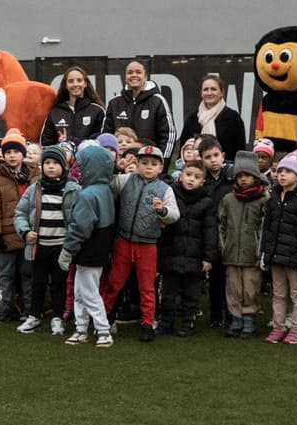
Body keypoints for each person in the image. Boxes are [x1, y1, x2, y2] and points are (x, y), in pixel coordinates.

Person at [106, 143, 179, 341]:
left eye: (153, 164)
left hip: (148, 245)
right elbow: (108, 182)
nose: (148, 167)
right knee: (114, 282)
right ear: (136, 164)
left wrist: (163, 211)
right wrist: (117, 167)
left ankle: (147, 323)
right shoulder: (126, 179)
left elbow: (174, 214)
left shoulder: (165, 189)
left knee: (146, 286)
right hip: (124, 241)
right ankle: (106, 317)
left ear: (161, 168)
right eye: (144, 163)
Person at [58, 141, 118, 346]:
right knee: (80, 291)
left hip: (89, 250)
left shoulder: (88, 195)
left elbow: (79, 228)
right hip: (100, 249)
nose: (78, 169)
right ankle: (81, 329)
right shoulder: (105, 190)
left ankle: (103, 330)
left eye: (81, 165)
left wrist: (67, 251)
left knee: (88, 292)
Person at [13, 145, 75, 335]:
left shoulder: (72, 189)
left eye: (55, 163)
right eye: (47, 162)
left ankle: (57, 318)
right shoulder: (34, 189)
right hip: (39, 246)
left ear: (64, 166)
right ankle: (34, 316)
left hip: (61, 246)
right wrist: (25, 232)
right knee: (37, 283)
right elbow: (20, 213)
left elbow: (77, 217)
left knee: (59, 284)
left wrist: (71, 240)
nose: (51, 166)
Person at [259, 152, 297, 345]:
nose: (282, 174)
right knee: (278, 293)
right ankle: (278, 326)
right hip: (276, 255)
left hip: (295, 257)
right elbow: (268, 228)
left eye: (288, 171)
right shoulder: (273, 197)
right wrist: (265, 252)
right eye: (280, 171)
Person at [156, 156, 215, 338]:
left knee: (191, 294)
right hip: (171, 253)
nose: (191, 179)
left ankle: (188, 322)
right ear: (180, 176)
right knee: (168, 293)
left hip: (194, 257)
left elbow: (210, 231)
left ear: (202, 181)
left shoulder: (207, 202)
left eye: (196, 177)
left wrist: (208, 257)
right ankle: (166, 322)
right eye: (188, 174)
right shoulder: (171, 195)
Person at [214, 149, 268, 339]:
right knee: (233, 288)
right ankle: (236, 319)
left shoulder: (263, 200)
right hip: (231, 253)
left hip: (252, 254)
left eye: (247, 175)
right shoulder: (228, 200)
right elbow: (221, 224)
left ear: (256, 177)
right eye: (240, 176)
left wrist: (260, 252)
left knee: (250, 288)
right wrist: (223, 247)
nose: (243, 179)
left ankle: (249, 320)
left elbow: (264, 228)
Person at [0, 131, 31, 322]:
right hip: (6, 234)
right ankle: (3, 308)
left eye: (16, 151)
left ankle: (29, 309)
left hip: (28, 234)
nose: (12, 156)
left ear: (23, 153)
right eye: (8, 152)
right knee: (5, 274)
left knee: (27, 274)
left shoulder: (33, 175)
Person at [105, 59, 173, 151]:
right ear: (125, 78)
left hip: (147, 158)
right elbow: (106, 136)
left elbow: (168, 135)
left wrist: (162, 159)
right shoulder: (114, 103)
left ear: (145, 77)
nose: (134, 75)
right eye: (130, 72)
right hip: (121, 159)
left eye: (138, 72)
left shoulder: (158, 101)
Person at [44, 65, 107, 145]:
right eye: (70, 81)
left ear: (85, 83)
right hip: (62, 153)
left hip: (88, 153)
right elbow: (46, 143)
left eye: (79, 80)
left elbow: (100, 140)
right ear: (65, 85)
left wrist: (77, 144)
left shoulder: (97, 111)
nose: (75, 84)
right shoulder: (55, 113)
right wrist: (60, 145)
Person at [188, 73, 247, 154]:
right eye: (205, 89)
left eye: (213, 89)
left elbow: (240, 151)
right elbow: (184, 151)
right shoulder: (192, 119)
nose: (209, 93)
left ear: (221, 92)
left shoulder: (233, 118)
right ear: (201, 93)